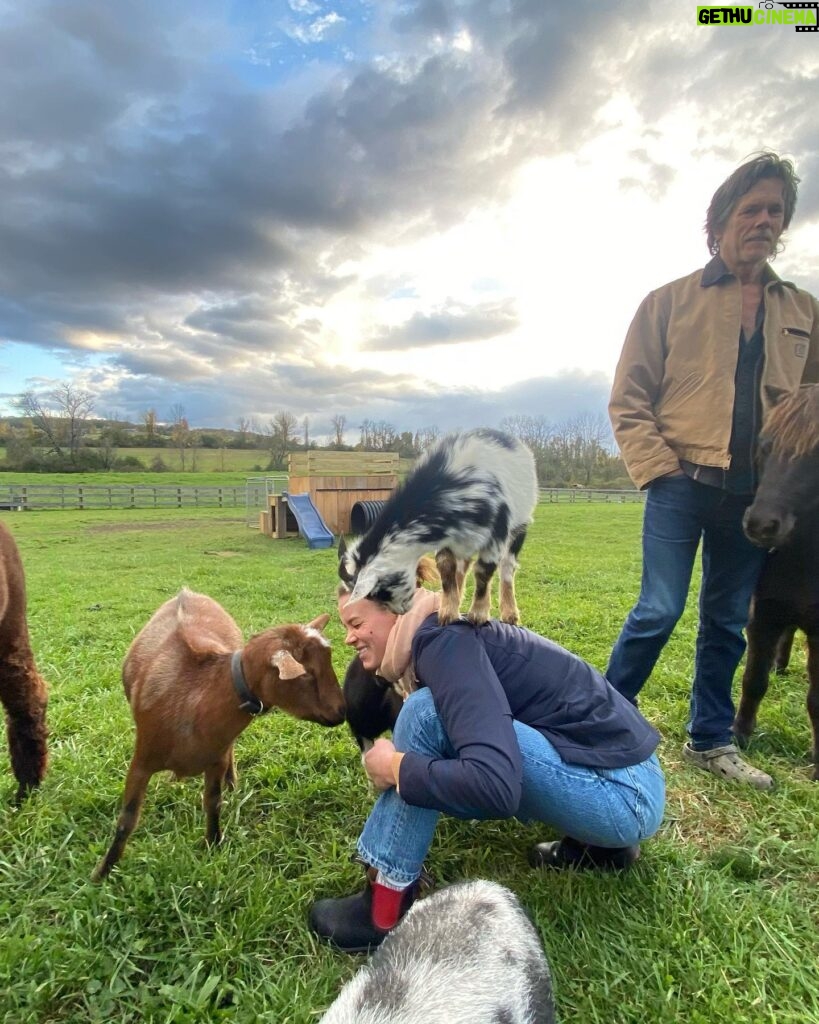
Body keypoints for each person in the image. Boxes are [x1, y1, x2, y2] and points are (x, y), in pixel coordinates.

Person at [607, 152, 819, 790]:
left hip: (753, 501)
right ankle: (595, 719)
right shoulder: (667, 302)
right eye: (749, 209)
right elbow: (629, 398)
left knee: (728, 619)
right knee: (658, 609)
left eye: (774, 211)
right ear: (720, 222)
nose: (762, 221)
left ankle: (710, 739)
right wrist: (660, 470)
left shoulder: (805, 311)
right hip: (681, 484)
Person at [308, 585, 666, 953]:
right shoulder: (443, 632)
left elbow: (496, 784)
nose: (349, 638)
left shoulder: (441, 642)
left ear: (397, 609)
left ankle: (384, 904)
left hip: (622, 796)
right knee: (442, 724)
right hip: (629, 780)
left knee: (424, 712)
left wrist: (396, 767)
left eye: (355, 622)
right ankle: (603, 849)